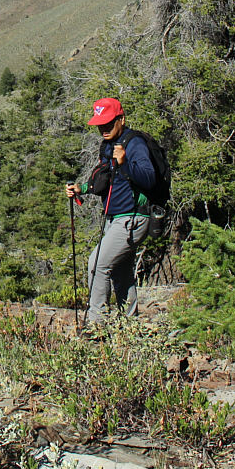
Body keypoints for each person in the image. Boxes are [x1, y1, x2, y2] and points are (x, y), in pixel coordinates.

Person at [65, 97, 155, 322]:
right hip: (116, 218)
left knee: (97, 265)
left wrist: (125, 163)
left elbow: (149, 178)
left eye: (108, 123)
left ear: (121, 119)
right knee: (120, 272)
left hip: (133, 217)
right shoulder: (107, 146)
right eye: (100, 125)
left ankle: (97, 325)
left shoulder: (134, 144)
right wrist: (81, 189)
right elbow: (105, 181)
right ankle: (130, 324)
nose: (103, 129)